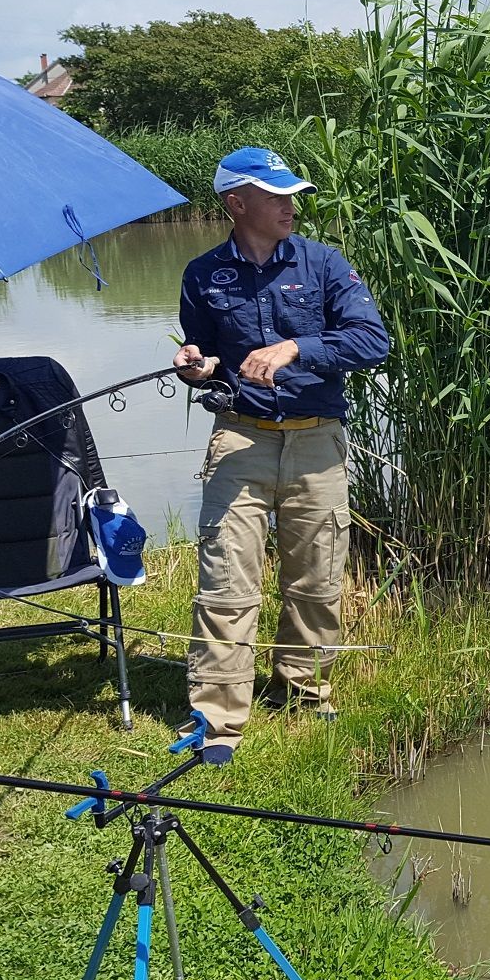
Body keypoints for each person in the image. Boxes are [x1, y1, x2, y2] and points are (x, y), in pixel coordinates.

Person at [172, 147, 389, 765]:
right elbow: (205, 354)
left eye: (293, 194)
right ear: (236, 203)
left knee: (317, 574)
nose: (290, 205)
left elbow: (372, 339)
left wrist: (295, 348)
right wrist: (196, 365)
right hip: (240, 438)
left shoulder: (323, 263)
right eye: (276, 196)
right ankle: (217, 716)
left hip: (318, 438)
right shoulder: (202, 273)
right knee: (225, 577)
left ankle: (303, 690)